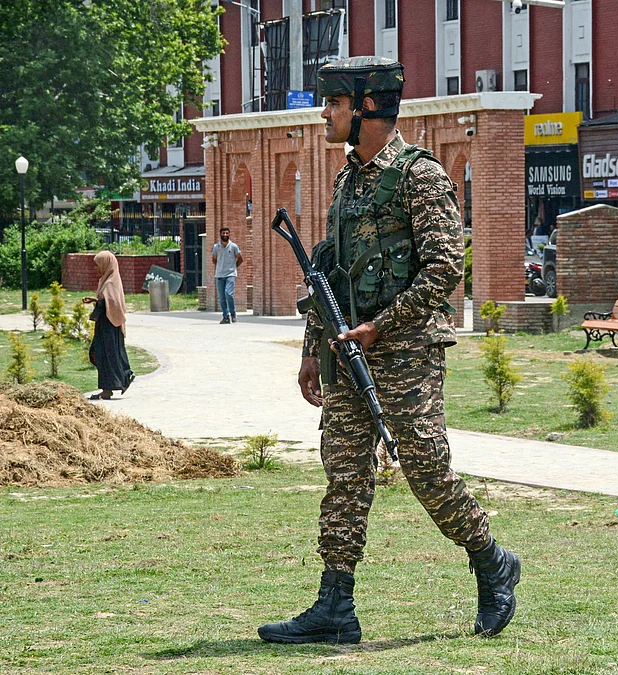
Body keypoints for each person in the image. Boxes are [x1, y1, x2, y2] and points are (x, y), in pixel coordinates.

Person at [257, 56, 520, 646]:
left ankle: (491, 560)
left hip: (406, 357)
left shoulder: (419, 177)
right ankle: (335, 607)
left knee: (426, 471)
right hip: (349, 355)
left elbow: (444, 270)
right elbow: (328, 272)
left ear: (366, 107)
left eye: (335, 104)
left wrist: (381, 326)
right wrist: (310, 349)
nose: (325, 113)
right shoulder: (349, 179)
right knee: (344, 475)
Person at [82, 251, 135, 400]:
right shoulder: (106, 280)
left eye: (97, 264)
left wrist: (98, 302)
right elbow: (107, 301)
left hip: (110, 326)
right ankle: (120, 380)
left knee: (107, 355)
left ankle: (111, 387)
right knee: (102, 355)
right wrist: (95, 299)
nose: (95, 268)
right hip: (105, 325)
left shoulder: (111, 282)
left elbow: (113, 304)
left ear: (106, 264)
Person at [211, 226, 243, 323]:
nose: (225, 235)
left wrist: (233, 268)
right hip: (220, 275)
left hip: (230, 274)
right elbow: (214, 259)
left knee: (228, 293)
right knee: (221, 297)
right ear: (220, 234)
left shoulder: (233, 246)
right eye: (223, 233)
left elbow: (240, 258)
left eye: (227, 233)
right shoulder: (216, 247)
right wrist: (220, 267)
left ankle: (233, 313)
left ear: (229, 234)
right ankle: (225, 316)